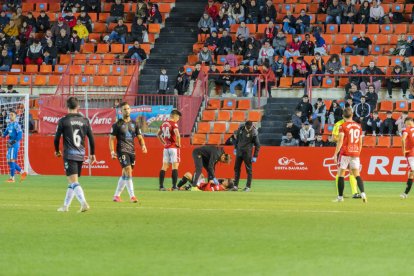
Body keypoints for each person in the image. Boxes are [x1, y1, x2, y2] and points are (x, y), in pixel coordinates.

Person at [54, 97, 96, 212]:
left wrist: (57, 150)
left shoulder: (63, 121)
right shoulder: (85, 120)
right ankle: (65, 206)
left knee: (74, 182)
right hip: (80, 154)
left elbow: (56, 138)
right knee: (72, 181)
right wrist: (92, 153)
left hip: (69, 154)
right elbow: (91, 138)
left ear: (67, 107)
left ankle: (83, 203)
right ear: (78, 107)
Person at [109, 102, 147, 203]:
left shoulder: (135, 124)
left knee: (125, 174)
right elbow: (111, 139)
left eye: (128, 108)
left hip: (132, 151)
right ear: (121, 111)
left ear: (130, 110)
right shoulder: (117, 125)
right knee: (128, 170)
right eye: (125, 109)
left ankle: (116, 196)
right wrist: (112, 151)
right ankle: (132, 196)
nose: (127, 110)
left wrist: (143, 146)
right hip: (122, 150)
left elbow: (139, 137)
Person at [333, 107, 367, 203]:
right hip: (356, 152)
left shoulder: (342, 126)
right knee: (357, 174)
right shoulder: (358, 126)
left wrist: (335, 154)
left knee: (341, 174)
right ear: (352, 115)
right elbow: (360, 142)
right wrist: (358, 152)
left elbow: (340, 141)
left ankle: (340, 197)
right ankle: (363, 193)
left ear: (343, 116)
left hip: (345, 152)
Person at [331, 113, 360, 198]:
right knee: (341, 172)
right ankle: (339, 193)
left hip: (352, 149)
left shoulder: (354, 124)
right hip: (343, 150)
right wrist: (343, 140)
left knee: (352, 171)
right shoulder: (338, 124)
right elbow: (333, 138)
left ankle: (355, 193)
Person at [157, 109, 182, 191]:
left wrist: (164, 143)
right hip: (173, 147)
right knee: (175, 166)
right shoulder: (174, 124)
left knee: (164, 167)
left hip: (166, 148)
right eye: (178, 117)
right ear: (175, 116)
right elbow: (177, 135)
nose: (178, 119)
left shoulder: (164, 124)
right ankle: (174, 186)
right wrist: (178, 143)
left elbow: (158, 134)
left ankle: (161, 186)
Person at [232, 121, 261, 192]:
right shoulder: (241, 129)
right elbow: (237, 140)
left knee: (249, 170)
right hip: (239, 152)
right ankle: (235, 186)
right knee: (236, 168)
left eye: (250, 127)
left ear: (251, 126)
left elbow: (257, 145)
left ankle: (248, 187)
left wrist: (255, 156)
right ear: (245, 126)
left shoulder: (254, 132)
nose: (248, 129)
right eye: (247, 127)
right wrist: (235, 148)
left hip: (247, 153)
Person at [2, 110, 27, 183]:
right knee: (9, 162)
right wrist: (3, 135)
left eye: (12, 115)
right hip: (9, 145)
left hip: (14, 145)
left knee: (12, 160)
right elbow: (4, 134)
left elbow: (20, 135)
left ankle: (12, 178)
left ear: (16, 116)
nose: (10, 116)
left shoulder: (16, 125)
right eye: (10, 115)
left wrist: (13, 142)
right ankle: (23, 172)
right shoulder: (9, 125)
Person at [401, 117, 414, 199]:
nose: (405, 125)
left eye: (405, 123)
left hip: (411, 154)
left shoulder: (407, 129)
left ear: (408, 122)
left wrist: (403, 150)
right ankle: (405, 193)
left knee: (411, 173)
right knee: (411, 173)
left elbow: (403, 139)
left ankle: (405, 193)